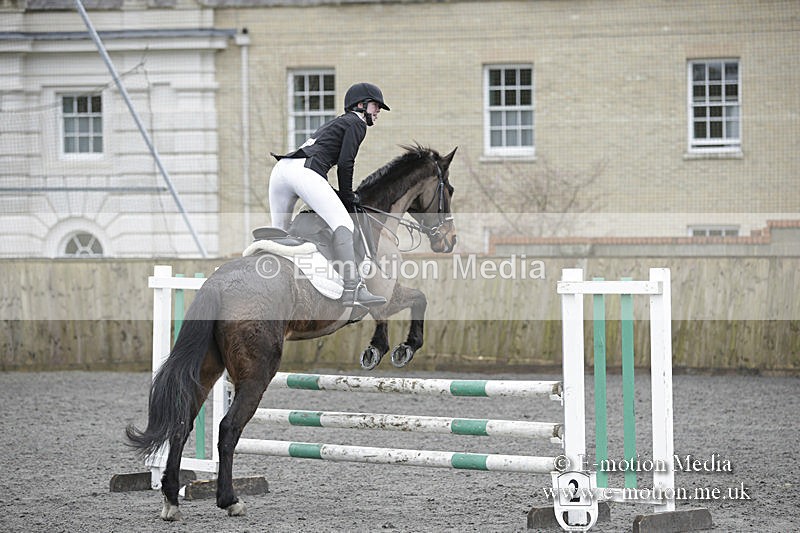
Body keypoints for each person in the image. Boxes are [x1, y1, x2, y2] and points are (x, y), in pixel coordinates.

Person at [268, 82, 389, 308]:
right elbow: (346, 163)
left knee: (279, 235)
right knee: (344, 224)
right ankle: (353, 288)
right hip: (304, 172)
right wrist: (346, 195)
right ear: (361, 105)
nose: (378, 111)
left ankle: (268, 275)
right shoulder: (357, 123)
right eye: (376, 106)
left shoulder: (338, 122)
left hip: (281, 170)